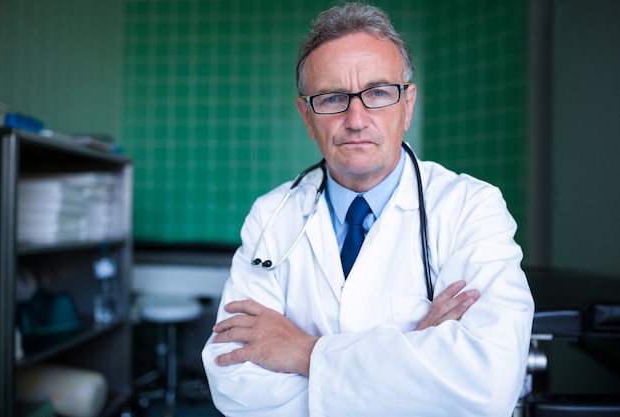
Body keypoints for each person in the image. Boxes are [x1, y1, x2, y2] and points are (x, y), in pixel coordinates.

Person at [202, 2, 534, 416]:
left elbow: (488, 383)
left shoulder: (472, 207)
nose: (356, 119)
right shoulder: (272, 215)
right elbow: (234, 380)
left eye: (377, 93)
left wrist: (305, 353)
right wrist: (413, 354)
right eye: (332, 98)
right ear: (307, 116)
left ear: (407, 105)